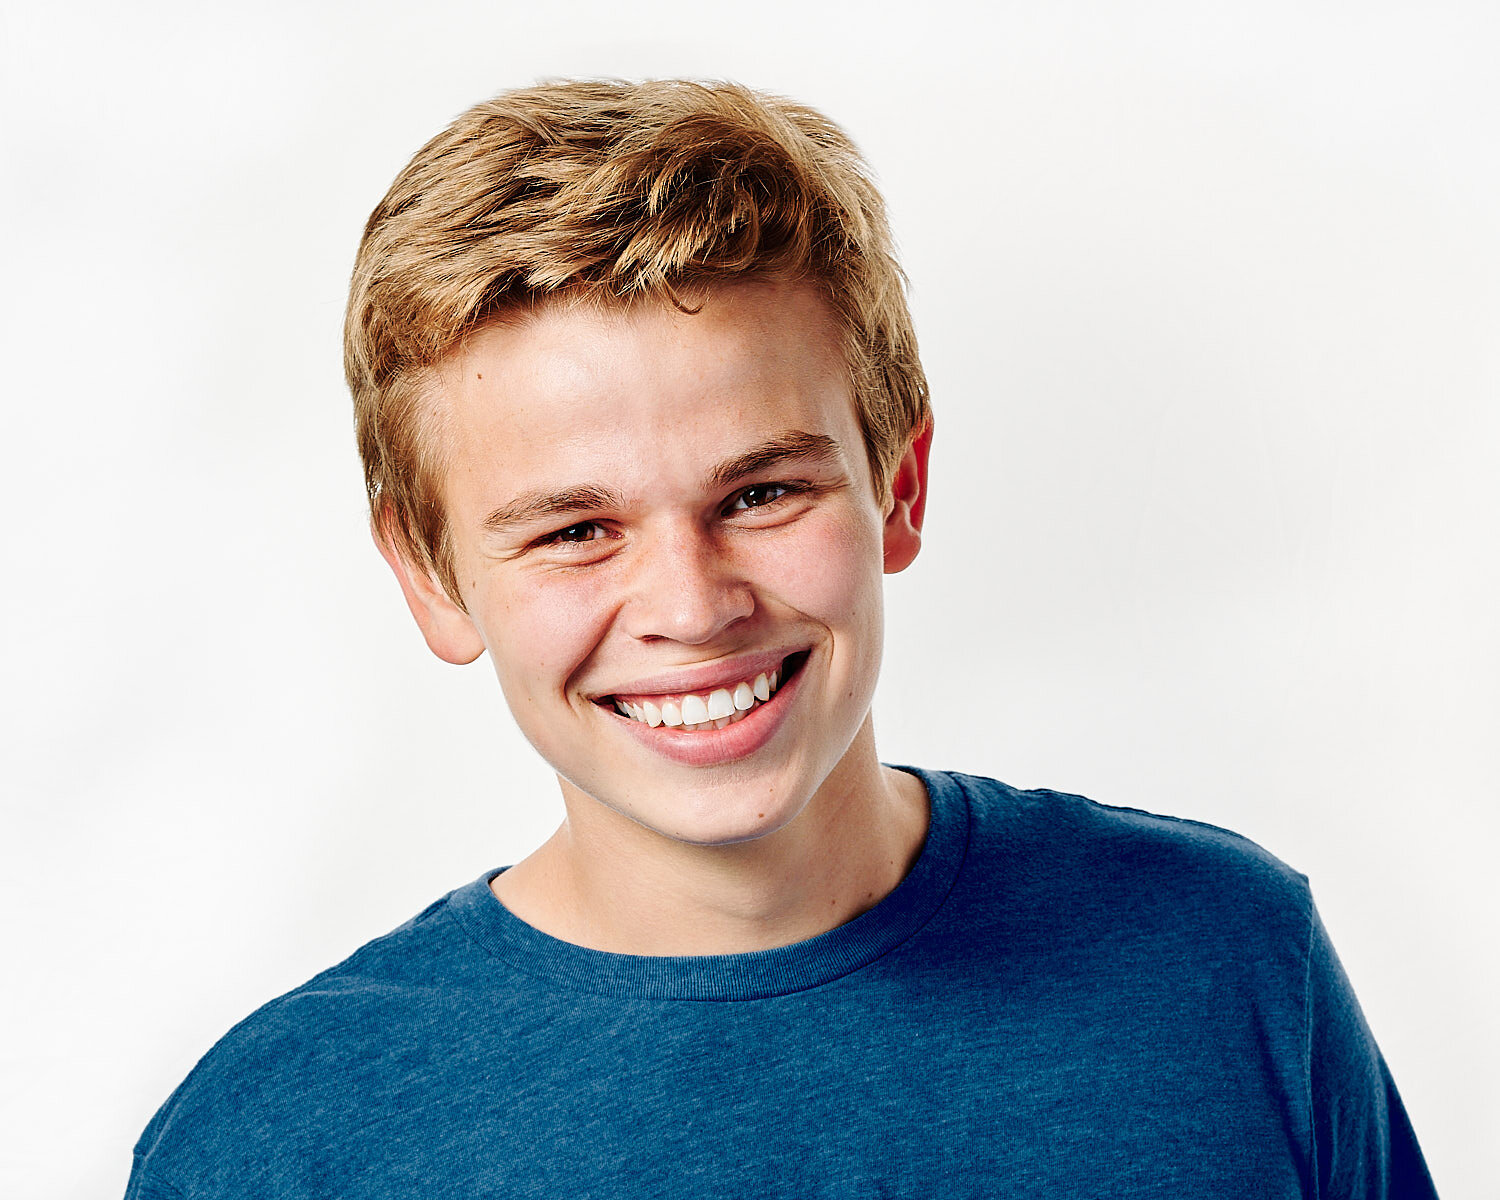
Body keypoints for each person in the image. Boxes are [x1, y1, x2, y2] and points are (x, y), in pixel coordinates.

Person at [126, 79, 1437, 1197]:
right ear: (431, 579)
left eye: (760, 495)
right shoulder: (278, 1144)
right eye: (576, 530)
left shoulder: (1222, 965)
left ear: (900, 488)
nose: (692, 607)